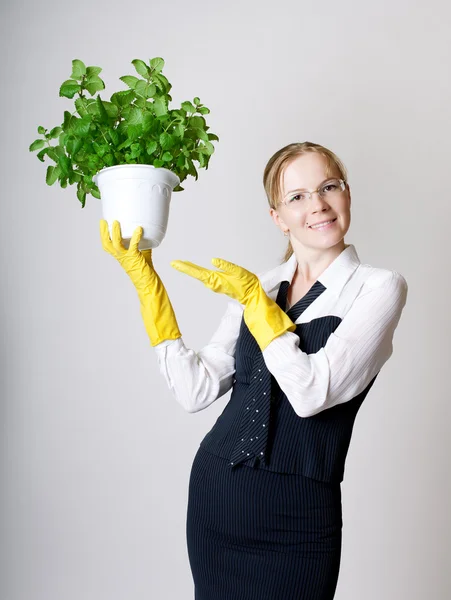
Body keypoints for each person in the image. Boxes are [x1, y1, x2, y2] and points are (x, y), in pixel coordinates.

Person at [99, 141, 408, 600]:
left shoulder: (377, 287)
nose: (317, 205)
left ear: (346, 194)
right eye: (296, 197)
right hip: (216, 494)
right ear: (277, 217)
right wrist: (150, 290)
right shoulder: (260, 285)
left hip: (298, 517)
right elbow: (195, 391)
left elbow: (311, 393)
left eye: (328, 187)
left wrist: (257, 308)